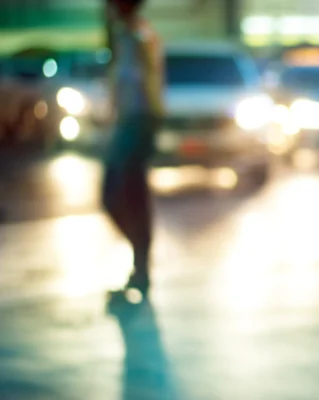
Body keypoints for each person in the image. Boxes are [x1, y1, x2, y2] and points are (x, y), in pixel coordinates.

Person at [102, 0, 164, 298]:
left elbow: (150, 84)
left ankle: (141, 268)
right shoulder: (124, 36)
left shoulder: (140, 36)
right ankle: (140, 267)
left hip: (137, 125)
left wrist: (149, 125)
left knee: (124, 197)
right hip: (127, 125)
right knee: (121, 197)